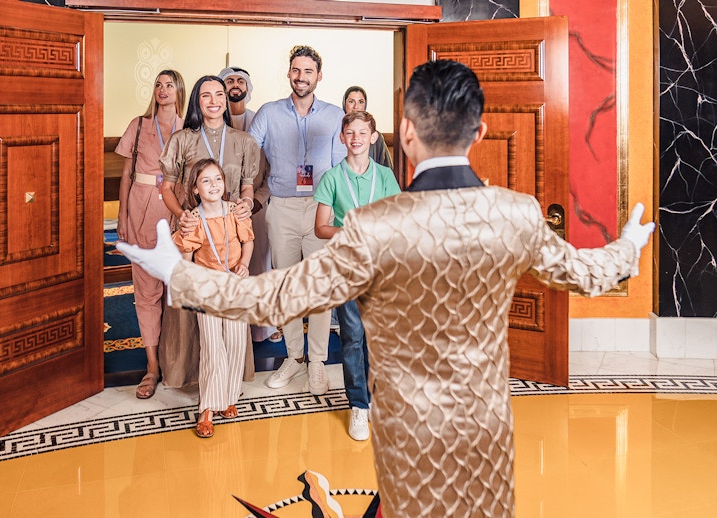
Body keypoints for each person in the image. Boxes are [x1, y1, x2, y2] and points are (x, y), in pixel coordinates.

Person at [117, 59, 655, 516]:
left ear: (406, 132)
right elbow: (590, 274)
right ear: (480, 133)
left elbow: (273, 297)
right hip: (488, 437)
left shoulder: (374, 227)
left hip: (407, 441)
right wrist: (629, 245)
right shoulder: (514, 214)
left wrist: (177, 271)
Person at [247, 45, 346, 395]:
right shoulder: (269, 113)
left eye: (308, 71)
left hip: (322, 209)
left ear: (319, 76)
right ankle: (294, 357)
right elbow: (247, 149)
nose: (301, 76)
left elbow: (339, 168)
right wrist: (243, 189)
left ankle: (317, 362)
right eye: (295, 70)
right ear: (288, 73)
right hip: (283, 207)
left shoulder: (335, 116)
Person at [158, 75, 260, 388]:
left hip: (229, 237)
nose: (214, 101)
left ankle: (229, 379)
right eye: (206, 95)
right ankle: (187, 376)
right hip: (193, 234)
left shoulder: (244, 141)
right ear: (197, 102)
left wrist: (245, 203)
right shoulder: (183, 139)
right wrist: (182, 215)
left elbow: (247, 186)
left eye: (219, 94)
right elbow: (168, 187)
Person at [313, 110, 401, 441]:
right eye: (350, 132)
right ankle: (358, 405)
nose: (356, 138)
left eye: (362, 132)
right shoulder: (332, 178)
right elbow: (321, 228)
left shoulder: (386, 177)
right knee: (352, 335)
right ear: (342, 138)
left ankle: (377, 398)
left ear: (373, 137)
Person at [114, 69, 185, 399]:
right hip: (142, 210)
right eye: (158, 84)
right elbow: (126, 173)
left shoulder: (190, 129)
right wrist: (122, 219)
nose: (162, 89)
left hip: (177, 214)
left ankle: (180, 362)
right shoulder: (139, 125)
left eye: (169, 85)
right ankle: (152, 366)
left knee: (179, 292)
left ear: (179, 90)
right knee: (146, 292)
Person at [172, 158, 254, 438]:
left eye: (217, 178)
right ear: (195, 189)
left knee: (234, 342)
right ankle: (207, 408)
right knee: (212, 346)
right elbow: (185, 256)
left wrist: (244, 263)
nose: (213, 185)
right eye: (205, 181)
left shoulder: (235, 212)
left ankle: (228, 395)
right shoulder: (193, 219)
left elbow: (248, 241)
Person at [218, 66, 281, 344]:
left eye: (239, 81)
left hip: (255, 205)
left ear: (248, 87)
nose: (234, 85)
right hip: (219, 208)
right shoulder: (213, 120)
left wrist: (258, 199)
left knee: (259, 264)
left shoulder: (261, 120)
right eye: (229, 80)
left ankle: (262, 328)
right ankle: (230, 329)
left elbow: (272, 169)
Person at [342, 86, 394, 170]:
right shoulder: (335, 133)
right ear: (344, 104)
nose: (356, 106)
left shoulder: (376, 137)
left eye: (361, 102)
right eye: (351, 101)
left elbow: (386, 168)